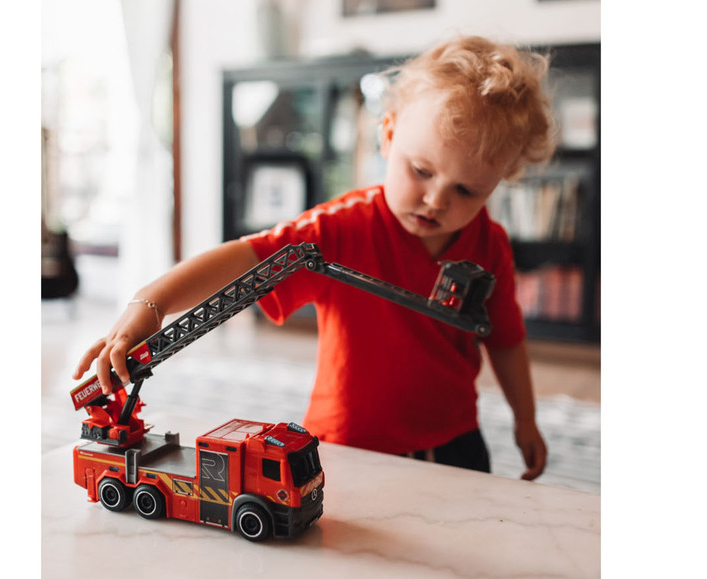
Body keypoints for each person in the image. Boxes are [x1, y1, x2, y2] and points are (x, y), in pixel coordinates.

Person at [73, 35, 555, 480]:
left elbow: (506, 340)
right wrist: (150, 303)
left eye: (466, 190)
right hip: (348, 445)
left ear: (498, 183)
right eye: (421, 171)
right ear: (388, 136)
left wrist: (526, 419)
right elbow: (246, 258)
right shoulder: (340, 230)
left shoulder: (490, 244)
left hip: (455, 440)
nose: (436, 200)